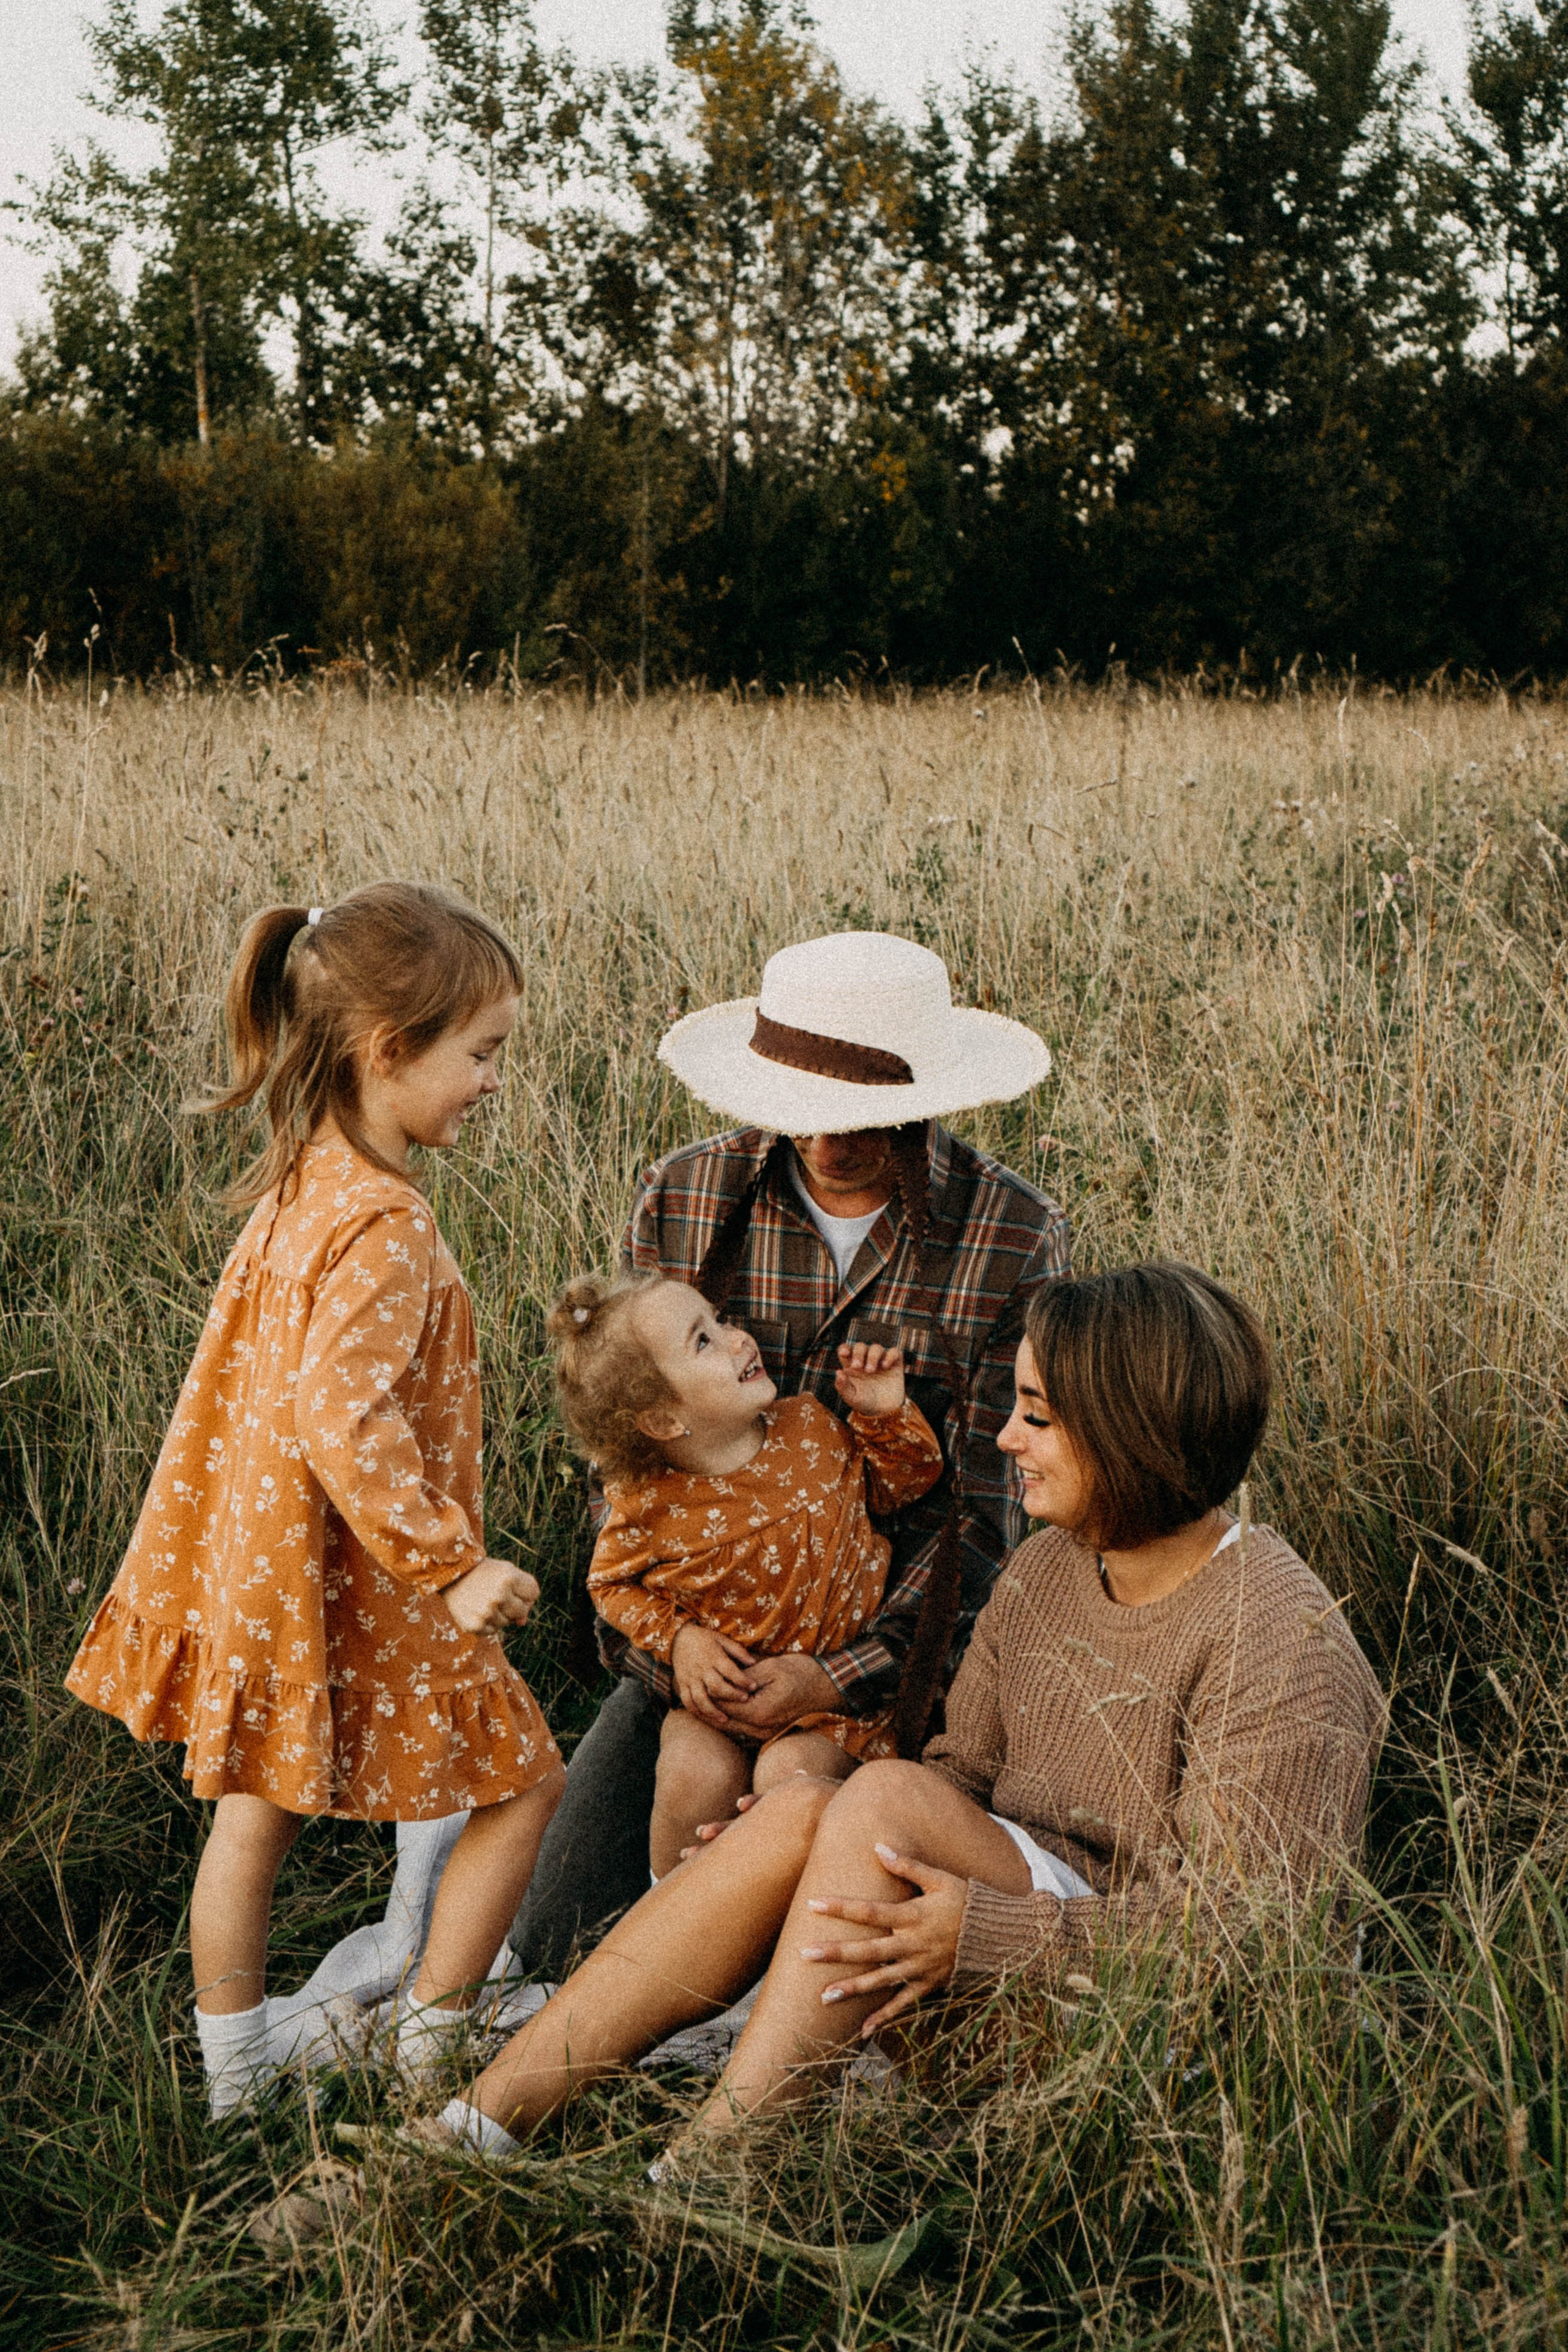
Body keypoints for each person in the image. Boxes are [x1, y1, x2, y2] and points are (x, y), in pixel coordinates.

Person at [409, 1260, 1387, 2164]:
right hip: (1012, 1943)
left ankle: (710, 2173)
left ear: (1129, 1435)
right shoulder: (1052, 1567)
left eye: (1036, 1418)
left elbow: (1251, 1939)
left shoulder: (1277, 1635)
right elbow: (958, 1782)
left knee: (876, 1804)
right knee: (813, 1807)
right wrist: (807, 1833)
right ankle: (471, 2126)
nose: (1006, 1439)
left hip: (1160, 2048)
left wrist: (982, 1931)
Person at [299, 925, 1066, 2008]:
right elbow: (633, 1487)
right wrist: (686, 1659)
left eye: (860, 1116)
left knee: (816, 1853)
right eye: (800, 1108)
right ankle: (678, 1951)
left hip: (886, 1663)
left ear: (928, 1092)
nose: (829, 1141)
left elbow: (984, 1529)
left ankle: (744, 1987)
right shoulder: (688, 1195)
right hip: (709, 1650)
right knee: (559, 1929)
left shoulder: (1010, 1235)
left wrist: (837, 1675)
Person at [64, 884, 567, 2117]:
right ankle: (435, 2038)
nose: (493, 1080)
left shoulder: (301, 1183)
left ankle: (233, 2078)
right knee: (524, 1779)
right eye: (481, 1053)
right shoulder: (386, 1223)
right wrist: (450, 1563)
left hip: (267, 1569)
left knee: (253, 1815)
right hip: (369, 1578)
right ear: (386, 1050)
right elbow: (342, 1418)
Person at [551, 1272, 943, 1874]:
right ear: (661, 1420)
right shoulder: (648, 1504)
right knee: (692, 1770)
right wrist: (679, 1640)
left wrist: (886, 1414)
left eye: (719, 1320)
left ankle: (772, 1928)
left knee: (789, 1778)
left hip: (833, 1705)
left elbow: (900, 1488)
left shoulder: (810, 1427)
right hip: (723, 1703)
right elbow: (609, 1585)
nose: (738, 1339)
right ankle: (674, 1914)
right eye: (703, 1341)